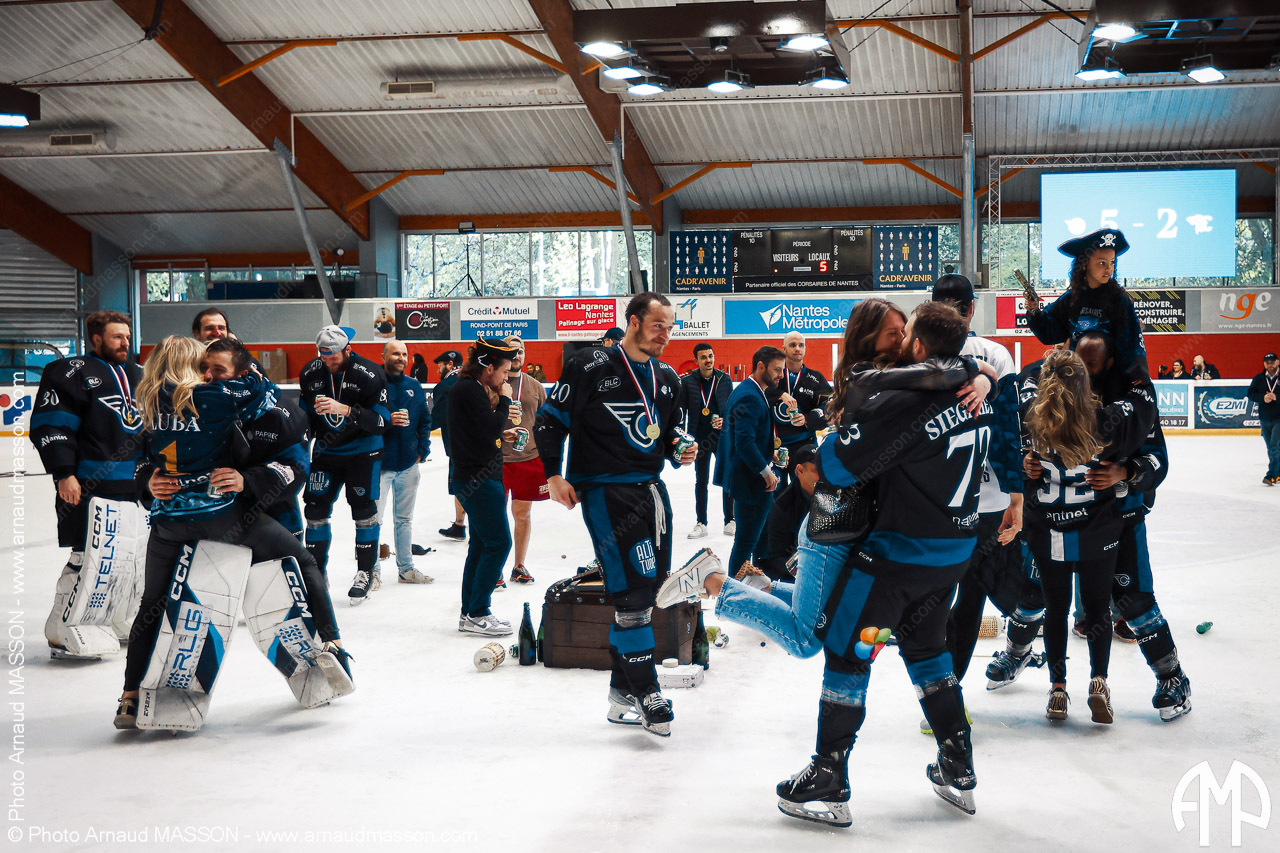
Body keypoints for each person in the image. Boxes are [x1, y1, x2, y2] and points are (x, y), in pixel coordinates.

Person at [762, 302, 993, 825]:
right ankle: (958, 763)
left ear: (918, 347)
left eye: (906, 333)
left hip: (895, 560)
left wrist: (823, 449)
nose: (901, 339)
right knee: (928, 650)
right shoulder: (973, 390)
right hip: (952, 555)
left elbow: (837, 469)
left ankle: (829, 773)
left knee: (849, 652)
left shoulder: (904, 401)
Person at [658, 298, 989, 663]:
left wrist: (982, 377)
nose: (903, 340)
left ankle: (758, 585)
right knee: (808, 638)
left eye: (904, 331)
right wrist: (974, 368)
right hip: (835, 519)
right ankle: (715, 582)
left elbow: (950, 376)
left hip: (861, 521)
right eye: (894, 333)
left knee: (836, 611)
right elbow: (938, 378)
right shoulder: (868, 375)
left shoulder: (904, 373)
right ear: (869, 337)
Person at [115, 336, 348, 728]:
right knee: (302, 561)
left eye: (216, 368)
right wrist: (147, 480)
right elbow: (142, 459)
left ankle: (129, 695)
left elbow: (295, 465)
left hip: (183, 519)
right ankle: (334, 641)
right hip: (224, 517)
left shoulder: (151, 400)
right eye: (203, 365)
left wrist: (248, 479)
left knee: (153, 601)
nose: (208, 374)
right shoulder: (222, 396)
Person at [535, 292, 703, 738]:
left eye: (671, 327)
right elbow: (550, 421)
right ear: (633, 322)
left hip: (652, 491)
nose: (666, 335)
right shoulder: (590, 365)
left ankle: (621, 693)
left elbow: (669, 433)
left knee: (649, 590)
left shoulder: (667, 377)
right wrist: (554, 475)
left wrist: (681, 448)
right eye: (658, 325)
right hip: (605, 492)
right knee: (631, 594)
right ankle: (647, 692)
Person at [1020, 348, 1156, 724]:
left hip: (1050, 530)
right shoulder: (1107, 420)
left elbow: (1025, 381)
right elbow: (1144, 403)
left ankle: (1057, 689)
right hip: (1097, 531)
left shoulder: (1032, 417)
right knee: (1097, 609)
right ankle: (1099, 683)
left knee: (1056, 609)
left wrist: (1026, 461)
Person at [1074, 331, 1191, 721]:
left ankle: (1172, 678)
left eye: (1091, 363)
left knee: (1134, 600)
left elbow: (1158, 460)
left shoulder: (1135, 399)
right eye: (1079, 360)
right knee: (1038, 591)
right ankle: (1021, 655)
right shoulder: (1061, 390)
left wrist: (1124, 472)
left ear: (1110, 362)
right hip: (1067, 518)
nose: (1083, 370)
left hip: (1120, 517)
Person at [30, 310, 147, 658]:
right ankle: (59, 629)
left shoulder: (138, 373)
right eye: (117, 337)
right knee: (87, 556)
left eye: (127, 336)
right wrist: (64, 473)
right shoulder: (69, 372)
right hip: (88, 484)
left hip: (133, 486)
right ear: (96, 339)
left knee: (127, 559)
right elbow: (52, 425)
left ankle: (112, 618)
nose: (125, 343)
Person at [930, 275, 1025, 689]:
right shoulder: (993, 354)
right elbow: (1009, 433)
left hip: (951, 503)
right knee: (959, 599)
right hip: (970, 503)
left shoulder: (922, 355)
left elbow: (1009, 432)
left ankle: (942, 688)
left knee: (950, 598)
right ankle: (946, 686)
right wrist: (1016, 496)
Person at [299, 325, 390, 605]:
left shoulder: (370, 374)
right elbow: (304, 416)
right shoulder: (310, 372)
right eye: (324, 357)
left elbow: (382, 422)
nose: (328, 362)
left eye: (334, 357)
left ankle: (365, 573)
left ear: (348, 349)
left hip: (363, 453)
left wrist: (347, 410)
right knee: (314, 510)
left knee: (364, 511)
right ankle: (316, 573)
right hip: (326, 453)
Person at [448, 338, 521, 635]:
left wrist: (501, 436)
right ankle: (478, 611)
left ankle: (469, 612)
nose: (505, 379)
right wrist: (504, 400)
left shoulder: (470, 388)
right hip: (478, 480)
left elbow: (479, 432)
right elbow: (490, 427)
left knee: (480, 546)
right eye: (504, 372)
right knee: (499, 543)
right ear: (489, 367)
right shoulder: (469, 389)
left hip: (476, 477)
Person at [1026, 228, 1148, 382]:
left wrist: (1138, 374)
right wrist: (1034, 310)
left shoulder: (1119, 299)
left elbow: (1132, 340)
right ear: (1084, 264)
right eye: (1102, 263)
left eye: (1112, 262)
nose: (1109, 269)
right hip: (1076, 379)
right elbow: (1049, 331)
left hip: (1110, 380)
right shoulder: (1071, 298)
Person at [717, 345, 786, 580]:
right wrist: (766, 471)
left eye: (782, 370)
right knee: (746, 542)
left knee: (761, 540)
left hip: (750, 480)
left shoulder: (750, 390)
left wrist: (769, 453)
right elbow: (744, 442)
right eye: (777, 369)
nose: (781, 375)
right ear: (761, 366)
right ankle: (734, 593)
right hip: (751, 483)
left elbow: (749, 438)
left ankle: (758, 587)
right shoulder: (750, 395)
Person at [375, 339, 433, 588]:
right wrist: (388, 421)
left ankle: (406, 569)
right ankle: (371, 571)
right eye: (395, 354)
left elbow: (425, 421)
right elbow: (363, 420)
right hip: (379, 466)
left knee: (404, 520)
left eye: (404, 354)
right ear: (383, 356)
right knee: (373, 521)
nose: (401, 358)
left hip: (408, 465)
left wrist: (422, 450)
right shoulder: (373, 384)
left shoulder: (413, 386)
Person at [498, 335, 547, 587]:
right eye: (512, 350)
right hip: (497, 459)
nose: (517, 355)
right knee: (494, 516)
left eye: (521, 350)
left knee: (523, 514)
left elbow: (546, 424)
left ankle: (519, 565)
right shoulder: (493, 383)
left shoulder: (535, 386)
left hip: (528, 458)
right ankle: (494, 568)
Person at [767, 331, 833, 491]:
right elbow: (755, 392)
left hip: (804, 444)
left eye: (801, 345)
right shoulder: (771, 376)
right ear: (783, 349)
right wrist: (779, 394)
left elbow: (830, 406)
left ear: (805, 349)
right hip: (774, 445)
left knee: (805, 492)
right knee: (775, 493)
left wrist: (807, 418)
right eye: (792, 345)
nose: (797, 348)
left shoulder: (816, 378)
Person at [681, 342, 733, 538]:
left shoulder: (724, 379)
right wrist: (682, 437)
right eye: (703, 357)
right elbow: (681, 411)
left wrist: (726, 419)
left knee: (727, 477)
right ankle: (701, 522)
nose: (708, 360)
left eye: (710, 356)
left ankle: (730, 520)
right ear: (696, 360)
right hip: (699, 439)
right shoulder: (688, 382)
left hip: (721, 437)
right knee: (701, 480)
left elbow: (733, 409)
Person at [754, 443, 819, 580]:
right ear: (800, 470)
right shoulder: (783, 507)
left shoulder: (835, 490)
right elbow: (777, 558)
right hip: (801, 575)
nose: (824, 475)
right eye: (817, 470)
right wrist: (808, 568)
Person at [432, 349, 467, 541]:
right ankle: (459, 525)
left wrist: (416, 430)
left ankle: (467, 528)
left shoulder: (445, 386)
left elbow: (438, 417)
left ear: (450, 364)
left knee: (461, 486)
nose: (438, 369)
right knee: (471, 485)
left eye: (440, 365)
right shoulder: (474, 380)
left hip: (457, 445)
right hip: (478, 444)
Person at [1247, 352, 1280, 485]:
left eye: (1272, 362)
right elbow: (1250, 393)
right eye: (1267, 362)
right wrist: (1263, 397)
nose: (1270, 364)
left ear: (1278, 362)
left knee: (1274, 446)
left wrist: (1277, 397)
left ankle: (1271, 474)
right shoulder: (1259, 378)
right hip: (1265, 417)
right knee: (1270, 447)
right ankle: (1278, 472)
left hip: (1279, 417)